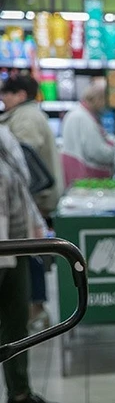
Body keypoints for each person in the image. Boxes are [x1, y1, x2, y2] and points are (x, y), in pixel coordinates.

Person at [0, 123, 62, 403]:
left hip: (14, 243)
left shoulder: (5, 136)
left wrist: (35, 228)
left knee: (16, 322)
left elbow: (21, 188)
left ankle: (20, 394)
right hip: (7, 245)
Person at [0, 74, 61, 331]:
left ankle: (35, 307)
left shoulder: (25, 118)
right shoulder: (26, 115)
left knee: (30, 254)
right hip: (32, 200)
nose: (3, 99)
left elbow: (25, 158)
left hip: (34, 200)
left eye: (7, 93)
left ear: (20, 95)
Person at [60, 79, 115, 189]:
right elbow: (96, 151)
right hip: (86, 176)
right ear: (99, 98)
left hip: (77, 174)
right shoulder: (82, 117)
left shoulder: (79, 113)